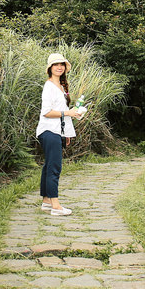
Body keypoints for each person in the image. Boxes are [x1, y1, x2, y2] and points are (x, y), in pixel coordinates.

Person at [36, 53, 84, 215]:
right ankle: (56, 206)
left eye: (62, 64)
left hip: (57, 131)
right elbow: (47, 112)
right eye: (56, 64)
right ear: (50, 68)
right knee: (54, 167)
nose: (59, 67)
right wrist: (69, 113)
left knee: (49, 165)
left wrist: (66, 133)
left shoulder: (62, 87)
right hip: (48, 130)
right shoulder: (49, 86)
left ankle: (46, 201)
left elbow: (63, 112)